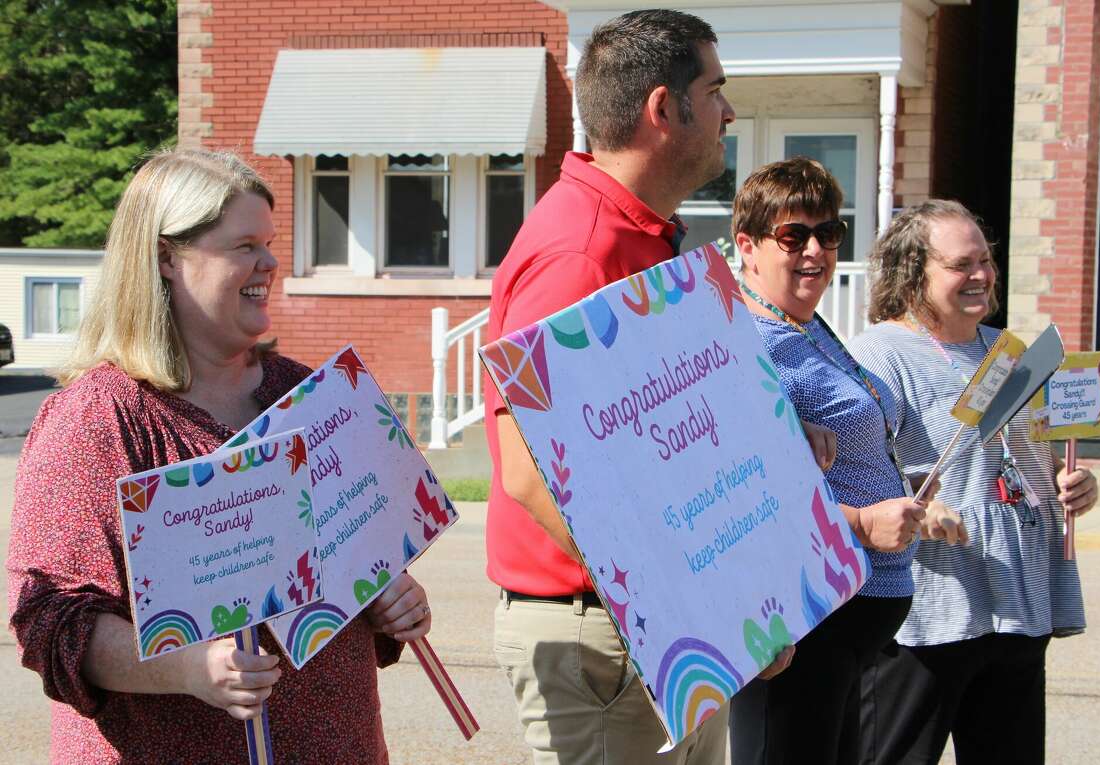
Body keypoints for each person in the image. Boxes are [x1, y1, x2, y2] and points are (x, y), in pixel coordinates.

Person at [7, 149, 432, 763]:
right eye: (244, 246)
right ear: (167, 258)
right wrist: (188, 666)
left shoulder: (304, 395)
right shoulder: (96, 418)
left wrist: (385, 595)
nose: (271, 262)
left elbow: (348, 554)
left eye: (269, 242)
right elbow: (50, 620)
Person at [485, 9, 806, 763]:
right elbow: (530, 471)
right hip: (609, 638)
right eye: (716, 89)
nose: (729, 111)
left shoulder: (636, 232)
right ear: (665, 108)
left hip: (638, 630)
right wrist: (696, 607)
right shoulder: (580, 251)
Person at [848, 200, 1098, 764]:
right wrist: (913, 504)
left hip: (1017, 603)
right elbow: (855, 467)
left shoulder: (1009, 354)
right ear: (914, 273)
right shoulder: (878, 356)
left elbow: (1034, 462)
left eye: (985, 261)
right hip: (929, 616)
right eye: (962, 265)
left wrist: (1071, 481)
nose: (981, 276)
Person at [727, 157, 933, 765]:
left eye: (830, 232)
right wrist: (863, 523)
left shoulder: (806, 325)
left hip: (847, 623)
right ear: (748, 246)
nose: (815, 249)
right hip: (799, 619)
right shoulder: (747, 343)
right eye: (794, 236)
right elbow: (741, 498)